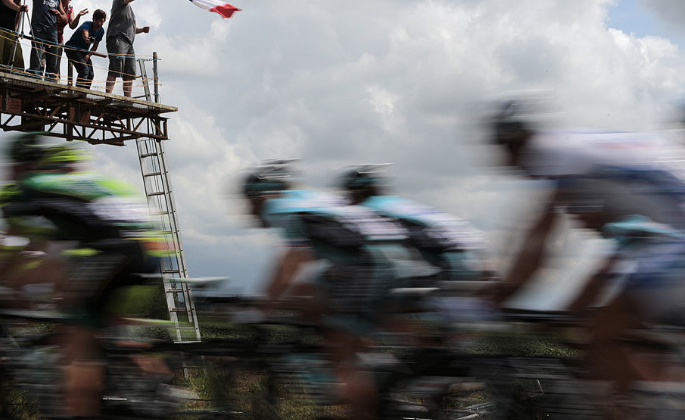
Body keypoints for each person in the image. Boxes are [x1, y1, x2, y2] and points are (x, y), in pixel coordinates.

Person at [484, 98, 685, 416]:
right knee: (595, 324)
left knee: (598, 333)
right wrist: (574, 309)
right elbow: (616, 256)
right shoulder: (572, 152)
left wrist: (496, 302)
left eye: (500, 150)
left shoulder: (549, 155)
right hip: (667, 233)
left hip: (675, 237)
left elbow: (537, 245)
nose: (500, 160)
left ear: (512, 144)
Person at [242, 160, 437, 420]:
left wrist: (262, 306)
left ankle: (360, 401)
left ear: (262, 195)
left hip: (369, 265)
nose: (247, 209)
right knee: (313, 297)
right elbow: (309, 265)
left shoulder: (280, 206)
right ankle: (379, 364)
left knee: (344, 357)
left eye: (249, 201)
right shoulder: (306, 200)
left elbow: (292, 260)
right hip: (384, 260)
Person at [0, 135, 163, 418]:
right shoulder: (77, 185)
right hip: (152, 245)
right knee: (105, 324)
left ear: (18, 167)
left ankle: (78, 409)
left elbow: (45, 258)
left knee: (77, 336)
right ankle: (158, 387)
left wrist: (1, 286)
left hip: (119, 248)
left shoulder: (29, 190)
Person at [338, 165, 490, 281]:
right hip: (472, 259)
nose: (348, 202)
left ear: (356, 192)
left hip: (446, 266)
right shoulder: (397, 204)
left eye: (349, 196)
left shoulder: (369, 211)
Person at [105, 0, 163, 97]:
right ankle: (108, 95)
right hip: (118, 38)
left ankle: (127, 98)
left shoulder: (128, 9)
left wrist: (141, 30)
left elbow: (130, 28)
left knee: (129, 72)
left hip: (128, 42)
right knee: (115, 68)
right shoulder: (120, 0)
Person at [64, 9, 107, 89]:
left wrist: (88, 55)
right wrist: (87, 39)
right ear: (93, 20)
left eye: (101, 21)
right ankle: (79, 92)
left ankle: (84, 94)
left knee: (90, 74)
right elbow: (85, 33)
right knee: (84, 70)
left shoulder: (101, 31)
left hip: (83, 52)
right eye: (97, 21)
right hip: (72, 49)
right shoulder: (87, 24)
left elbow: (94, 47)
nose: (99, 23)